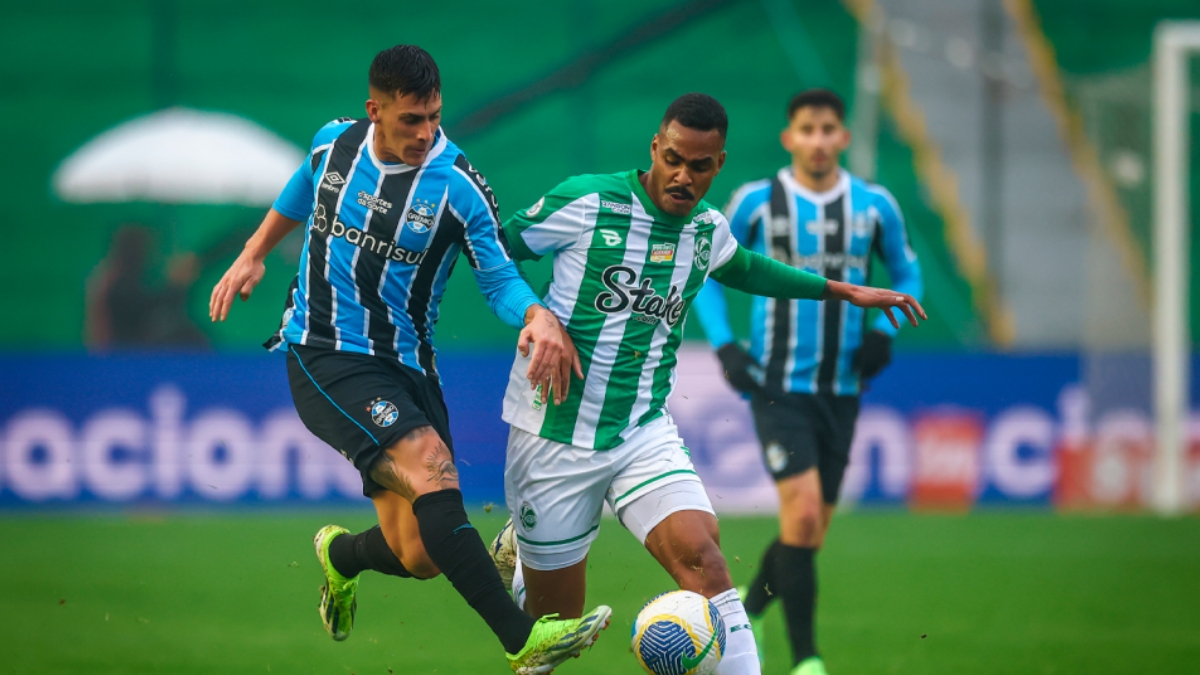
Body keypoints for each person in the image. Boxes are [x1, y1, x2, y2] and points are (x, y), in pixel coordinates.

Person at [487, 93, 924, 675]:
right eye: (673, 158)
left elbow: (745, 267)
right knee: (552, 633)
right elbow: (493, 249)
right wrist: (534, 314)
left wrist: (844, 290)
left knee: (705, 558)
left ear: (718, 165)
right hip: (553, 432)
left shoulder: (706, 229)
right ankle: (524, 569)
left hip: (641, 430)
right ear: (655, 149)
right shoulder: (588, 201)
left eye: (699, 166)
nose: (682, 176)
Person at [208, 45, 609, 675]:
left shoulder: (458, 187)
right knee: (430, 466)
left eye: (434, 118)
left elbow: (499, 279)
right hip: (323, 349)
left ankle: (343, 559)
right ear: (375, 111)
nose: (426, 133)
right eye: (410, 120)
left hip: (407, 364)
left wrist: (535, 315)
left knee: (420, 554)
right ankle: (521, 640)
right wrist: (256, 250)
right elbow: (301, 185)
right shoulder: (333, 146)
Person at [691, 89, 924, 675]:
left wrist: (884, 333)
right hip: (777, 387)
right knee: (801, 516)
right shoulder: (756, 201)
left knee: (809, 530)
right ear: (788, 138)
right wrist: (724, 345)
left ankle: (748, 611)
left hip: (842, 389)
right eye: (807, 129)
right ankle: (808, 660)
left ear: (842, 138)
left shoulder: (874, 206)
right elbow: (707, 270)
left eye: (828, 130)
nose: (818, 140)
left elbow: (907, 267)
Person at [86, 224, 207, 350]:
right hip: (124, 355)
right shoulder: (115, 285)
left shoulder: (115, 281)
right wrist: (175, 286)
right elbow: (145, 312)